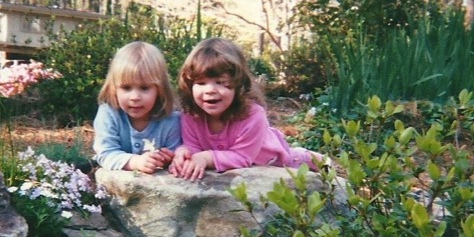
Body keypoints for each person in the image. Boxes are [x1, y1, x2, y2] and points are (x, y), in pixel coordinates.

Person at [170, 37, 329, 181]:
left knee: (294, 159)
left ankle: (312, 158)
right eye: (201, 83)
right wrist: (185, 153)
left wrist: (206, 158)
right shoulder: (191, 114)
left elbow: (242, 157)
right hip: (236, 159)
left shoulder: (252, 114)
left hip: (272, 158)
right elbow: (193, 146)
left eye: (220, 82)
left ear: (238, 84)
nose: (210, 90)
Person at [93, 41, 181, 173]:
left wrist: (169, 158)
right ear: (114, 88)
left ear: (160, 89)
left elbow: (176, 151)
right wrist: (135, 162)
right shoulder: (109, 113)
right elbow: (105, 153)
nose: (135, 97)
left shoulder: (170, 118)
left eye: (144, 88)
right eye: (126, 88)